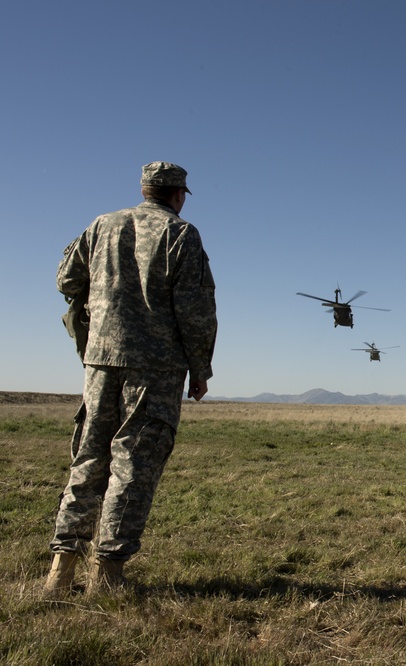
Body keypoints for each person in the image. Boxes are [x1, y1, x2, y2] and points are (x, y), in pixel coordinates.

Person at [44, 162, 218, 597]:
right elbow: (196, 311)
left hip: (100, 363)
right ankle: (107, 576)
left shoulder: (103, 224)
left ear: (144, 189)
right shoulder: (180, 234)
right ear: (178, 195)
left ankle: (60, 571)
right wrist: (200, 369)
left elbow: (66, 278)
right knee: (133, 465)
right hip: (155, 370)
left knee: (88, 459)